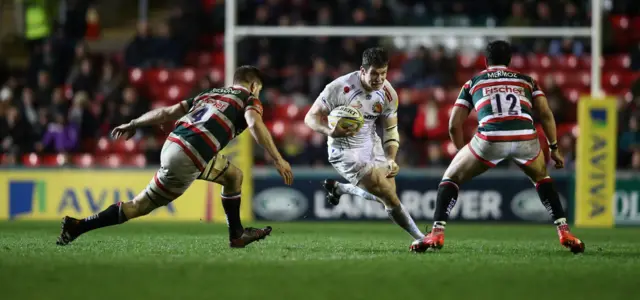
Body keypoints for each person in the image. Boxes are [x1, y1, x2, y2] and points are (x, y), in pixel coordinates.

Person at [56, 66, 294, 248]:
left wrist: (135, 123)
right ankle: (78, 226)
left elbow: (167, 112)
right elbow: (254, 124)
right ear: (253, 86)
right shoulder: (249, 99)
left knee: (234, 176)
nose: (259, 94)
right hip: (192, 154)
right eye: (259, 89)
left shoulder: (209, 93)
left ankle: (237, 234)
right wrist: (277, 158)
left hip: (176, 144)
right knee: (139, 207)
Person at [409, 41, 584, 253]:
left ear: (485, 60)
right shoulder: (527, 81)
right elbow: (546, 114)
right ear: (509, 61)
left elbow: (454, 123)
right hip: (525, 137)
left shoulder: (474, 82)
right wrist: (554, 147)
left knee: (450, 178)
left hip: (491, 138)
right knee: (542, 178)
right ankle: (564, 230)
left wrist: (459, 149)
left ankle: (436, 233)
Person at [304, 47, 424, 240]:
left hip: (371, 143)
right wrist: (330, 131)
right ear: (362, 70)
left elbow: (391, 129)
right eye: (374, 74)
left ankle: (341, 188)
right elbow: (310, 118)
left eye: (383, 73)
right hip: (344, 150)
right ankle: (421, 238)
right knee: (389, 197)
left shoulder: (388, 94)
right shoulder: (339, 87)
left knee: (388, 193)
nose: (379, 79)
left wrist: (391, 158)